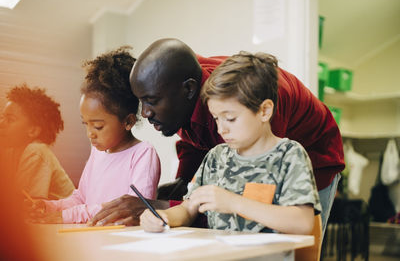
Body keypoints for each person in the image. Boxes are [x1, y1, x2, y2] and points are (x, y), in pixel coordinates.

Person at [90, 38, 344, 235]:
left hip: (316, 152)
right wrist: (174, 201)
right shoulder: (187, 105)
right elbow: (195, 156)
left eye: (152, 102)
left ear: (189, 90)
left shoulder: (279, 143)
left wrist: (230, 201)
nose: (145, 113)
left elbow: (294, 220)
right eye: (217, 119)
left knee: (301, 244)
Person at [140, 52, 321, 234]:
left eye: (231, 118)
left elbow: (302, 223)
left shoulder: (288, 155)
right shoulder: (215, 157)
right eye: (216, 118)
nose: (221, 130)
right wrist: (165, 217)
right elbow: (188, 209)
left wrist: (233, 202)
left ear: (264, 111)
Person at [27, 47, 161, 224]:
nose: (90, 134)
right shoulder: (97, 153)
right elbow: (81, 199)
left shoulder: (143, 154)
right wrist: (49, 207)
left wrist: (68, 216)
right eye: (86, 124)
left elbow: (133, 210)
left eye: (98, 126)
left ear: (128, 122)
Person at [0, 84, 75, 200]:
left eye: (10, 120)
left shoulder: (36, 151)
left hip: (71, 215)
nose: (1, 124)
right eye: (2, 117)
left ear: (33, 131)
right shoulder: (11, 151)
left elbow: (25, 204)